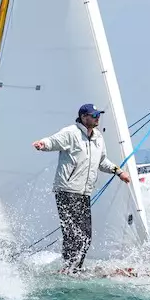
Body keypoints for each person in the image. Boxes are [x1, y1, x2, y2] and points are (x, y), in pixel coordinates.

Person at [33, 103, 131, 273]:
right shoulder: (71, 133)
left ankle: (74, 268)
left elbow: (102, 161)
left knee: (86, 236)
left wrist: (118, 172)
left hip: (84, 193)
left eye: (98, 115)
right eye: (94, 115)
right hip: (67, 191)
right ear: (84, 117)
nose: (97, 118)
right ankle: (68, 268)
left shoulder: (98, 137)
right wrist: (43, 144)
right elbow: (53, 141)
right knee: (73, 234)